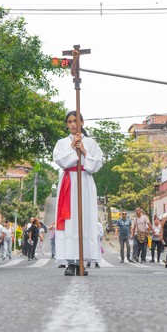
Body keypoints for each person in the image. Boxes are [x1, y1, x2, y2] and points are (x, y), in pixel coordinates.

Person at [54, 111, 103, 276]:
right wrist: (71, 147)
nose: (73, 124)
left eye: (76, 121)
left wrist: (83, 150)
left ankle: (83, 260)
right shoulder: (61, 143)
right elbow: (61, 160)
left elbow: (96, 165)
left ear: (82, 122)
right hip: (69, 182)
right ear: (67, 124)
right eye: (69, 121)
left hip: (85, 182)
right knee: (69, 222)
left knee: (85, 220)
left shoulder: (91, 143)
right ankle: (70, 262)